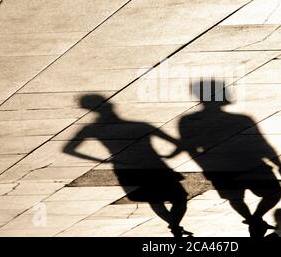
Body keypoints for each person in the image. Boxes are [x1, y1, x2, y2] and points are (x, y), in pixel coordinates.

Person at [164, 79, 281, 237]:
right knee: (272, 194)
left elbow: (190, 147)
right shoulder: (241, 119)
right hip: (250, 164)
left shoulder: (189, 121)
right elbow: (261, 144)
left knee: (235, 198)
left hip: (222, 168)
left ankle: (253, 220)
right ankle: (255, 220)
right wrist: (278, 163)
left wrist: (206, 165)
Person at [63, 94, 191, 237]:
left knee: (155, 200)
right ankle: (175, 227)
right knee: (179, 199)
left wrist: (103, 160)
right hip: (154, 165)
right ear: (111, 106)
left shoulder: (92, 129)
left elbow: (68, 149)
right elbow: (179, 144)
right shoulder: (141, 126)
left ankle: (175, 228)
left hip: (127, 169)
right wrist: (168, 156)